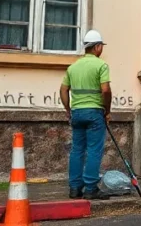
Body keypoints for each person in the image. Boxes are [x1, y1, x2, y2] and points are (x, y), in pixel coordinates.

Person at [60, 29, 112, 200]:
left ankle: (74, 189)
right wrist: (107, 110)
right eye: (101, 46)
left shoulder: (73, 67)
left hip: (77, 112)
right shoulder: (101, 65)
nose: (101, 49)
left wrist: (68, 109)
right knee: (94, 150)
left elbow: (63, 90)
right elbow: (105, 90)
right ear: (97, 47)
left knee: (77, 150)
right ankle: (90, 189)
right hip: (94, 112)